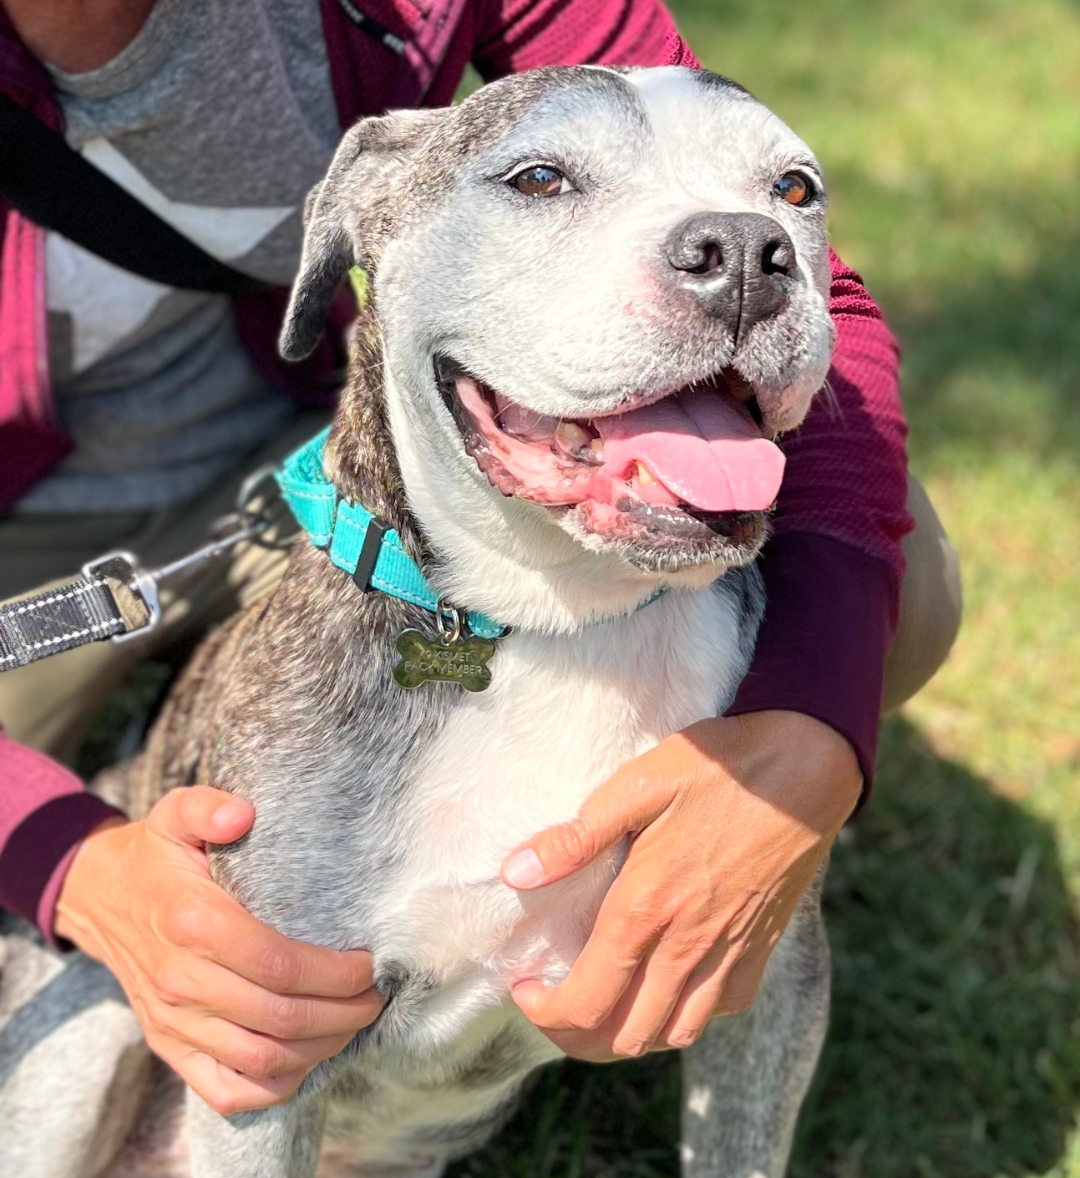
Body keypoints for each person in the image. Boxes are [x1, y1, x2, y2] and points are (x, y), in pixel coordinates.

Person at [0, 0, 960, 1115]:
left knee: (906, 575)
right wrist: (79, 870)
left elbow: (803, 271)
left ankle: (572, 901)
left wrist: (811, 715)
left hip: (334, 447)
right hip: (32, 549)